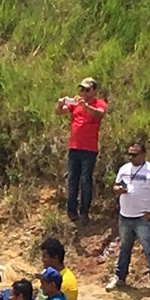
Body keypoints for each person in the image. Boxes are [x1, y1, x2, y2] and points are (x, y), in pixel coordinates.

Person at [106, 141, 150, 296]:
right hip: (125, 216)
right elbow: (115, 186)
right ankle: (120, 277)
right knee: (125, 248)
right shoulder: (124, 169)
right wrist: (118, 190)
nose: (131, 157)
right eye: (129, 154)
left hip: (143, 217)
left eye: (134, 155)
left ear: (143, 155)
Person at [55, 77, 107, 224]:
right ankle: (71, 210)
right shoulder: (76, 103)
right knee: (72, 179)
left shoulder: (98, 103)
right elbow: (59, 112)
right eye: (82, 89)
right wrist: (60, 104)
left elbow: (100, 114)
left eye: (87, 89)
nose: (83, 92)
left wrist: (86, 106)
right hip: (74, 147)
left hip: (89, 149)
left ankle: (84, 211)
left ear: (94, 91)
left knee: (86, 180)